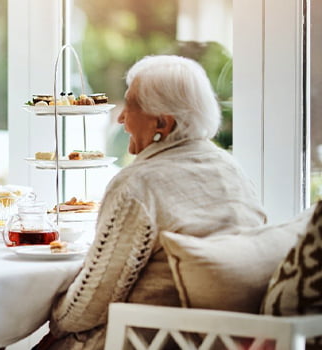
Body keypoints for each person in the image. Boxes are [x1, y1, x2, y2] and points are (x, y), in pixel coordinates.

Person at [39, 55, 266, 349]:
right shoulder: (232, 170)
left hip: (145, 340)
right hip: (219, 342)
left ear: (162, 122)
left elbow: (88, 305)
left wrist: (52, 321)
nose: (120, 118)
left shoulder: (138, 184)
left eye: (130, 106)